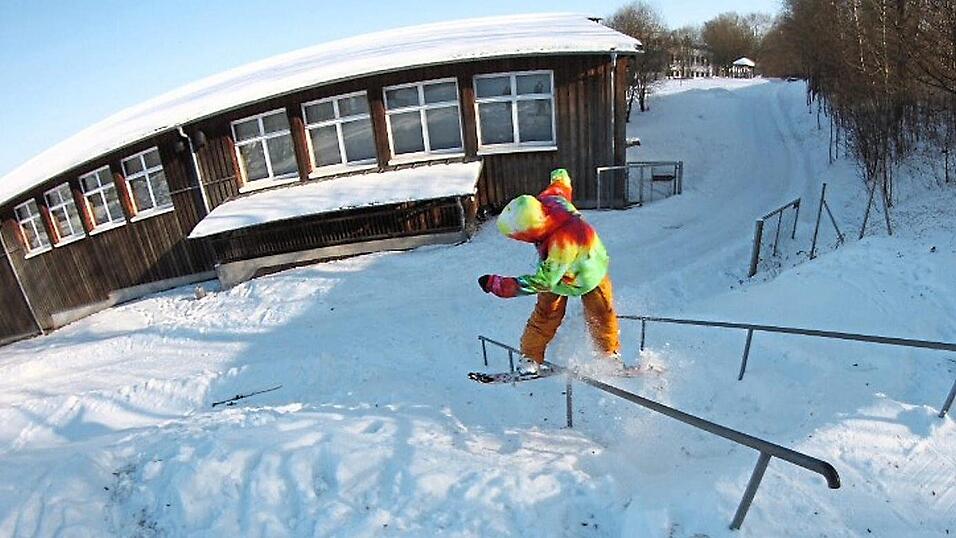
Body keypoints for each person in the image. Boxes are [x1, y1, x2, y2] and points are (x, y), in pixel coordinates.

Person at [478, 168, 621, 375]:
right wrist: (559, 173)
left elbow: (544, 281)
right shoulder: (551, 199)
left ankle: (609, 355)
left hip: (589, 273)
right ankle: (530, 356)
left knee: (600, 313)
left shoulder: (561, 243)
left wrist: (498, 284)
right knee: (546, 314)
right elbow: (561, 183)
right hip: (558, 273)